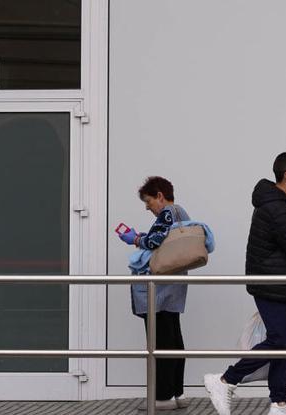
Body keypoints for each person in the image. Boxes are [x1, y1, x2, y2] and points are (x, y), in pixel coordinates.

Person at [204, 153, 286, 415]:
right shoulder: (275, 208)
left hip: (279, 282)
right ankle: (225, 380)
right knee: (278, 340)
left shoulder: (276, 203)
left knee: (285, 342)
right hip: (270, 284)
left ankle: (279, 403)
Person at [118, 176, 190, 411]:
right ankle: (177, 393)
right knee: (174, 339)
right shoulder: (181, 214)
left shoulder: (168, 213)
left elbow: (155, 240)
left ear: (160, 195)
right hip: (173, 287)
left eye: (148, 201)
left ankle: (162, 396)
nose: (147, 207)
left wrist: (135, 238)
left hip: (160, 290)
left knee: (160, 343)